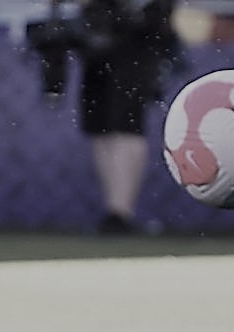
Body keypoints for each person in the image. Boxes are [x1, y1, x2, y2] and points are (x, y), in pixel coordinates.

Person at [75, 0, 179, 233]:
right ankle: (113, 209)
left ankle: (121, 211)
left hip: (138, 39)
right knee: (100, 127)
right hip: (99, 39)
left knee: (127, 125)